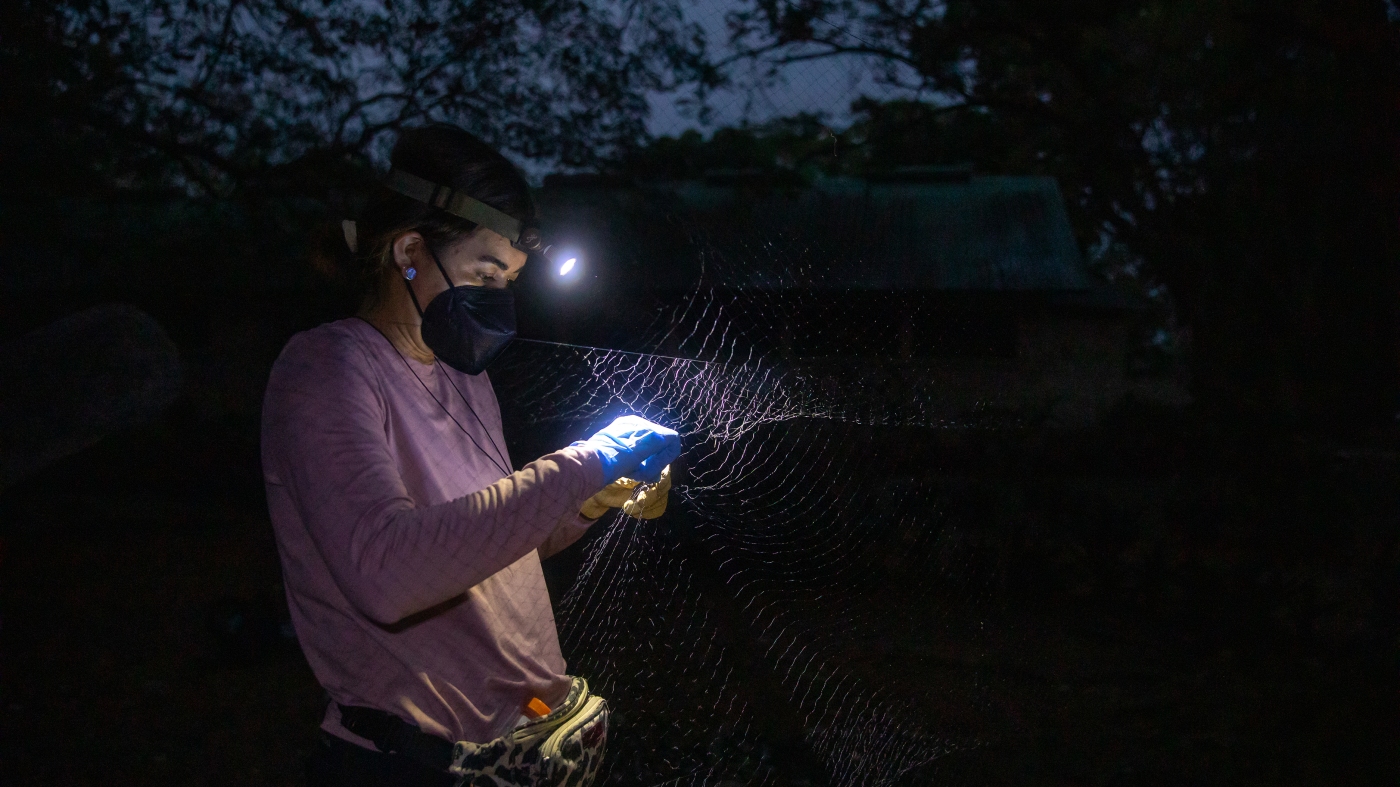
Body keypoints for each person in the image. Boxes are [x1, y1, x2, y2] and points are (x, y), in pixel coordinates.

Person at [261, 124, 680, 787]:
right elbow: (389, 574)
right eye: (486, 272)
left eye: (510, 279)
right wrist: (584, 462)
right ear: (408, 252)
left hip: (519, 757)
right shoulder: (329, 365)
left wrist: (593, 497)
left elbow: (485, 542)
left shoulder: (465, 379)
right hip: (405, 766)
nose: (501, 300)